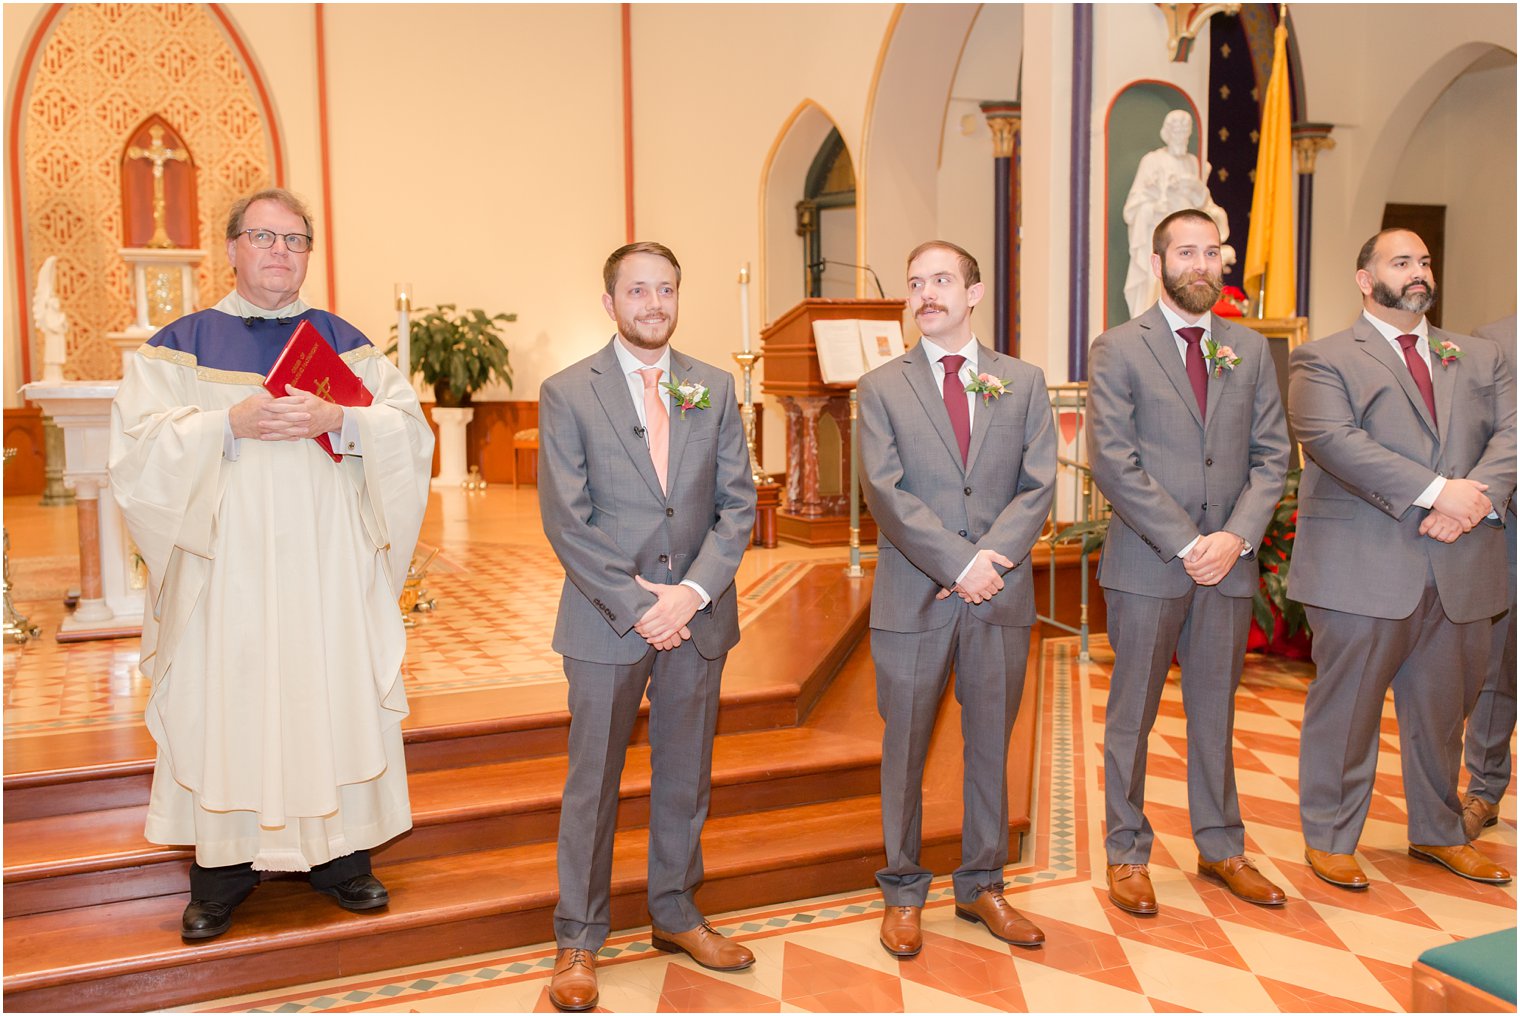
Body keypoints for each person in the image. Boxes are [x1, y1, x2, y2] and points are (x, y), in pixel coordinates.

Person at [108, 187, 434, 940]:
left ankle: (342, 860)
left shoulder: (344, 341)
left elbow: (406, 432)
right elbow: (138, 447)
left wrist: (340, 418)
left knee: (330, 687)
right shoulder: (179, 343)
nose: (279, 252)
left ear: (308, 255)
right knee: (231, 696)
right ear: (231, 248)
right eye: (263, 237)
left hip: (327, 563)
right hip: (228, 570)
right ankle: (221, 872)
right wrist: (228, 421)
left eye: (294, 240)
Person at [537, 242, 756, 1012]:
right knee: (592, 783)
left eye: (665, 289)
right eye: (638, 290)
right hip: (608, 624)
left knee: (686, 777)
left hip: (697, 619)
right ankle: (578, 939)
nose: (653, 303)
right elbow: (567, 521)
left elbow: (738, 507)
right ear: (610, 302)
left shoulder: (714, 387)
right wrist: (640, 605)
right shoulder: (568, 392)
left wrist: (690, 594)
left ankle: (675, 912)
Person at [1288, 229, 1515, 889]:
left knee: (1444, 711)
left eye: (1423, 262)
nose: (1417, 272)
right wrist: (1440, 493)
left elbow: (1512, 431)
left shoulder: (1477, 355)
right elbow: (1335, 441)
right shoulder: (1323, 358)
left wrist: (1473, 501)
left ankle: (1439, 830)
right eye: (1400, 262)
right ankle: (1330, 836)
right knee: (1348, 709)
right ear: (1364, 278)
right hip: (1362, 567)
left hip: (1462, 562)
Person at [1087, 209, 1291, 916]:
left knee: (1215, 709)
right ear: (1158, 261)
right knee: (1132, 714)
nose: (1201, 264)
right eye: (1186, 252)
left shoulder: (1250, 349)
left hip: (1228, 564)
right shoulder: (1118, 347)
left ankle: (1222, 845)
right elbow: (1113, 460)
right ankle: (1126, 851)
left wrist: (1234, 538)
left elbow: (1272, 457)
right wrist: (1185, 541)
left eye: (1211, 251)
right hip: (1150, 561)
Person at [857, 241, 1056, 958]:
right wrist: (956, 562)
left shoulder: (1023, 381)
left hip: (997, 596)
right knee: (905, 749)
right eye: (916, 283)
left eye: (942, 280)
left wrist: (987, 563)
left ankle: (982, 886)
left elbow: (1037, 484)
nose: (927, 294)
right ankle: (903, 892)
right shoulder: (881, 387)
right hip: (916, 598)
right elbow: (885, 491)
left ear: (974, 293)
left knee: (989, 747)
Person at [1462, 314, 1517, 841]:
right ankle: (1484, 789)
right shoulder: (1494, 340)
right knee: (1499, 670)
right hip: (1512, 529)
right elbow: (1484, 436)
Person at [1122, 110, 1233, 320]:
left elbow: (1203, 203)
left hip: (1192, 233)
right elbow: (1134, 206)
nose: (1181, 135)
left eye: (1185, 130)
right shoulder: (1153, 161)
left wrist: (1194, 188)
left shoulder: (1193, 162)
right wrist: (1158, 203)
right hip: (1161, 233)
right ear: (1167, 132)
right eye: (1177, 130)